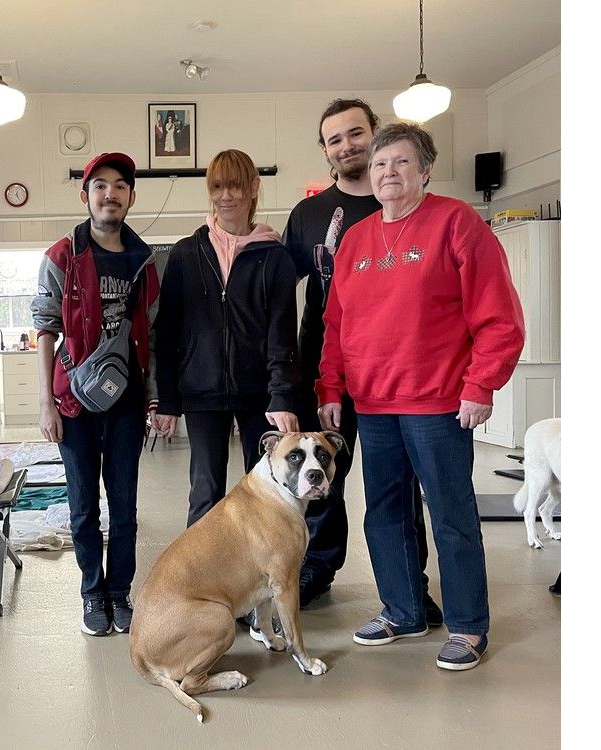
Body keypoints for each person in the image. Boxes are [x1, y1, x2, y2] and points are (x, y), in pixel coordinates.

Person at [316, 122, 524, 671]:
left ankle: (467, 625)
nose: (389, 173)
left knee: (451, 514)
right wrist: (331, 386)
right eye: (382, 164)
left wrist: (481, 384)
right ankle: (404, 609)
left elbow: (498, 316)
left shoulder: (456, 222)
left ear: (425, 170)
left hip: (438, 402)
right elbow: (335, 323)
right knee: (383, 512)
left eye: (402, 163)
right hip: (373, 403)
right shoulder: (356, 239)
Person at [283, 99, 441, 622]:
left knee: (399, 484)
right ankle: (318, 570)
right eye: (335, 139)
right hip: (325, 369)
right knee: (319, 476)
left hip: (397, 372)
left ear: (375, 137)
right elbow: (284, 295)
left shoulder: (401, 203)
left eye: (356, 135)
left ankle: (409, 587)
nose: (347, 146)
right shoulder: (307, 216)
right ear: (325, 151)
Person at [31, 152, 160, 637]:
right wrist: (45, 404)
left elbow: (151, 335)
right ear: (85, 196)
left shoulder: (142, 260)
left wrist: (153, 399)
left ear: (130, 196)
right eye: (100, 186)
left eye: (120, 186)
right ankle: (91, 594)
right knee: (84, 505)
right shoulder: (61, 256)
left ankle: (118, 595)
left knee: (123, 505)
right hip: (74, 403)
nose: (111, 194)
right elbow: (44, 329)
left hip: (126, 404)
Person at [152, 148, 299, 528]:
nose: (225, 196)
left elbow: (283, 335)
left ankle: (260, 578)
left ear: (253, 188)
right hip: (200, 393)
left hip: (258, 395)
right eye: (217, 187)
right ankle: (199, 580)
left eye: (234, 186)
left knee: (267, 493)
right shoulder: (186, 254)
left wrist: (282, 396)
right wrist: (166, 400)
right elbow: (165, 331)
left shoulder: (275, 257)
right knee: (205, 492)